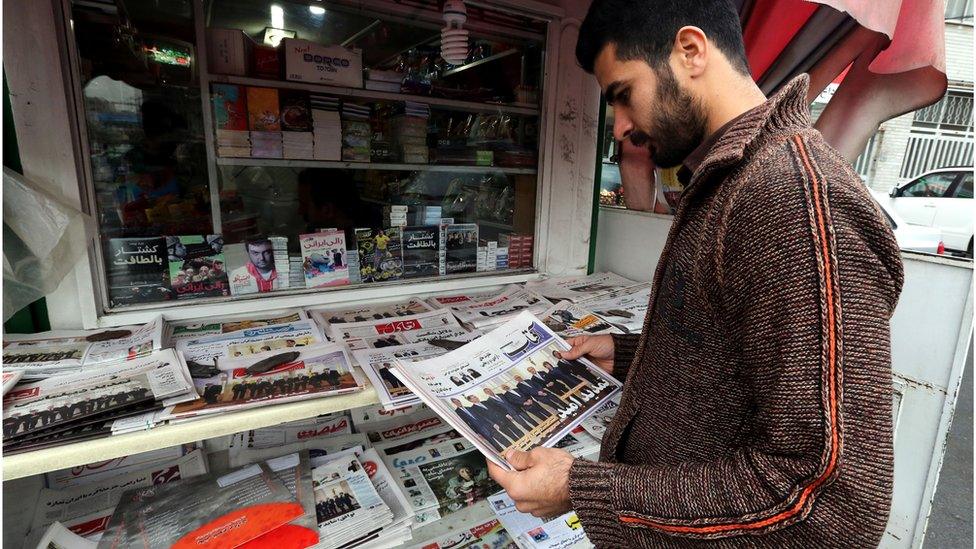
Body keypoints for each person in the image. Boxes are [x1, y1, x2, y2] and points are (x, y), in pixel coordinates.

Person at [488, 1, 906, 548]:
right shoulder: (732, 178)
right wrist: (632, 353)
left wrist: (581, 488)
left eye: (622, 94)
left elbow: (830, 506)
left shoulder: (791, 198)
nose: (622, 127)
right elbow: (742, 351)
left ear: (690, 51)